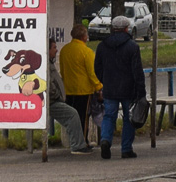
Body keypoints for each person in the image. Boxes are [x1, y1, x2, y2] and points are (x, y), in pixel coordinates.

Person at [94, 15, 147, 159]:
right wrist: (140, 91)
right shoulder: (132, 47)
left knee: (109, 116)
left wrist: (104, 80)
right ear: (126, 28)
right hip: (128, 89)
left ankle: (105, 140)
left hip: (110, 88)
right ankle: (126, 149)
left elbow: (97, 67)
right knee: (129, 118)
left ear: (113, 28)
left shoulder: (102, 46)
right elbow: (137, 71)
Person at [47, 40, 93, 154]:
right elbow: (49, 85)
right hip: (51, 101)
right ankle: (77, 145)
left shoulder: (49, 63)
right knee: (72, 114)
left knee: (72, 114)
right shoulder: (46, 65)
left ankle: (78, 143)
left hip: (54, 99)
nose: (56, 50)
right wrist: (57, 96)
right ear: (47, 50)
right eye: (54, 47)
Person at [59, 23, 102, 143]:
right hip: (83, 91)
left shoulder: (64, 50)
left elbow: (62, 70)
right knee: (83, 118)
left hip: (68, 89)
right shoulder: (87, 52)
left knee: (71, 118)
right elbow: (92, 73)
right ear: (84, 37)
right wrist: (99, 87)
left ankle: (73, 141)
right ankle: (82, 142)